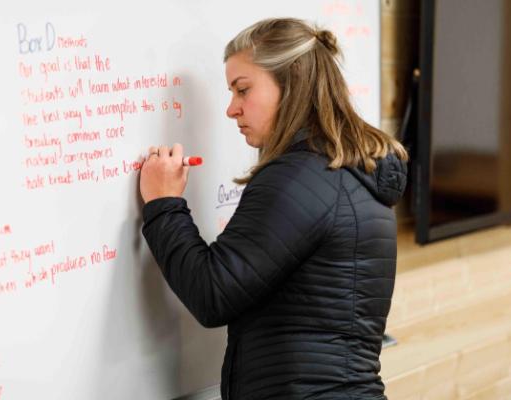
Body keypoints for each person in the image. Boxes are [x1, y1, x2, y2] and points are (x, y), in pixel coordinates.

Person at [139, 18, 408, 399]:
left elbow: (212, 294)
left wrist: (164, 204)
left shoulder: (300, 177)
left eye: (243, 90)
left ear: (292, 83)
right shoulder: (344, 172)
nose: (232, 109)